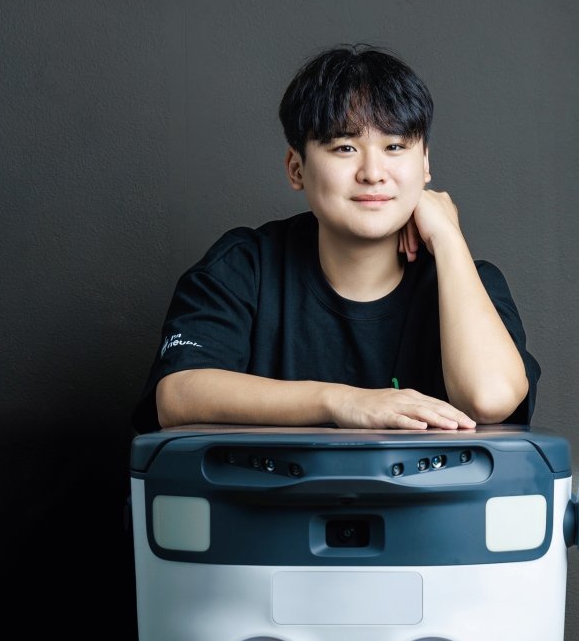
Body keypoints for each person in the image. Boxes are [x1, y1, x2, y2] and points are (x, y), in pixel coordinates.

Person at [131, 44, 539, 435]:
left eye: (395, 146)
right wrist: (342, 402)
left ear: (425, 163)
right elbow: (177, 395)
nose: (373, 173)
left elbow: (489, 400)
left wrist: (448, 236)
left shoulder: (469, 281)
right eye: (345, 147)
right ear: (296, 168)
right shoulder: (245, 267)